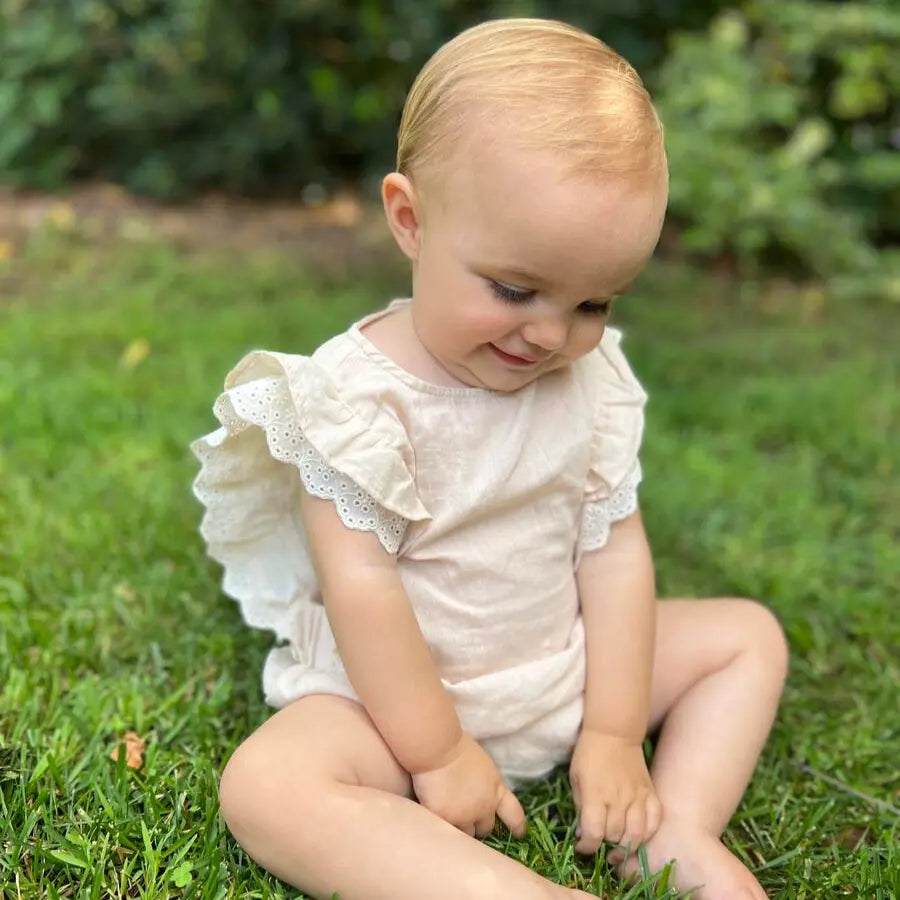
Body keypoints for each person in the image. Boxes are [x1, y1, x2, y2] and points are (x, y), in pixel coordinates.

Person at [191, 18, 788, 900]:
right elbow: (362, 587)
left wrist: (615, 733)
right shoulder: (351, 401)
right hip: (393, 706)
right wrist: (438, 752)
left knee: (747, 638)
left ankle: (676, 829)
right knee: (266, 788)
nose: (550, 333)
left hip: (563, 664)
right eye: (514, 289)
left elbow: (614, 549)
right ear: (411, 221)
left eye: (592, 301)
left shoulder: (591, 380)